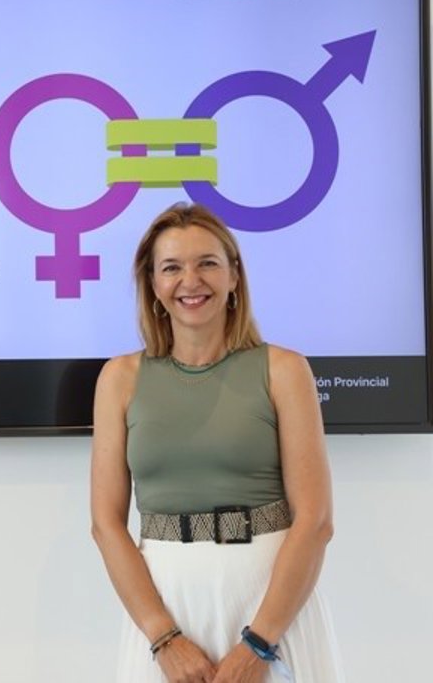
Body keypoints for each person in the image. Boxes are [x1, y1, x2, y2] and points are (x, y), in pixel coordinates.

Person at [90, 203, 342, 683]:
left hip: (271, 610)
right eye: (171, 267)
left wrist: (260, 644)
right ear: (152, 284)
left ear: (234, 276)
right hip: (166, 613)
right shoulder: (119, 378)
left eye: (207, 262)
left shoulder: (285, 370)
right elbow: (106, 525)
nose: (191, 281)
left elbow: (315, 521)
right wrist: (165, 640)